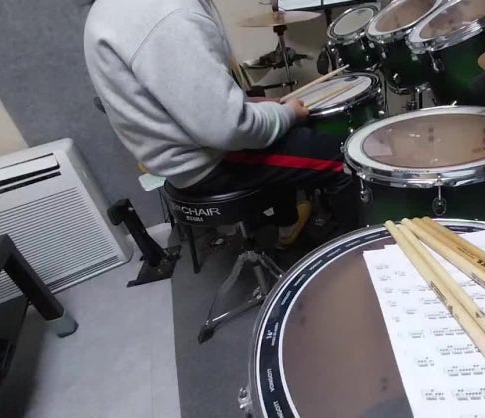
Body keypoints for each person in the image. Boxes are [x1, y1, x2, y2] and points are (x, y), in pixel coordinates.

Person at [83, 0, 354, 243]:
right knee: (346, 158)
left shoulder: (107, 9)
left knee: (287, 127)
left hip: (178, 159)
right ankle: (357, 257)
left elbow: (179, 98)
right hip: (208, 162)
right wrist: (288, 114)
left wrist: (249, 105)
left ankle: (288, 223)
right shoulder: (168, 14)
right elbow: (230, 130)